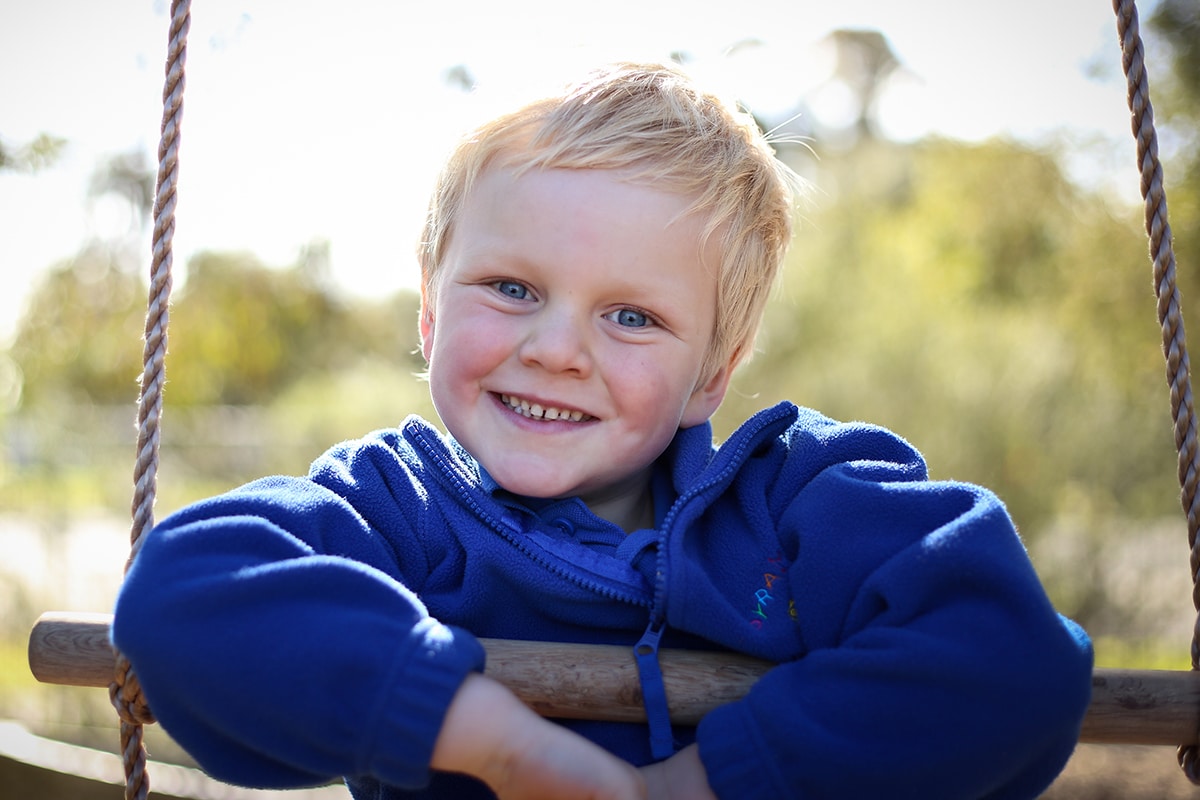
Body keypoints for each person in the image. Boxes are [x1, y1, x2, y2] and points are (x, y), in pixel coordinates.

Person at [112, 61, 1093, 799]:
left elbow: (1012, 655)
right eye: (511, 288)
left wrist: (697, 782)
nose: (556, 347)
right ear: (429, 314)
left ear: (712, 372)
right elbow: (183, 592)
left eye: (632, 316)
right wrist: (495, 739)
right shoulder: (397, 512)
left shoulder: (805, 507)